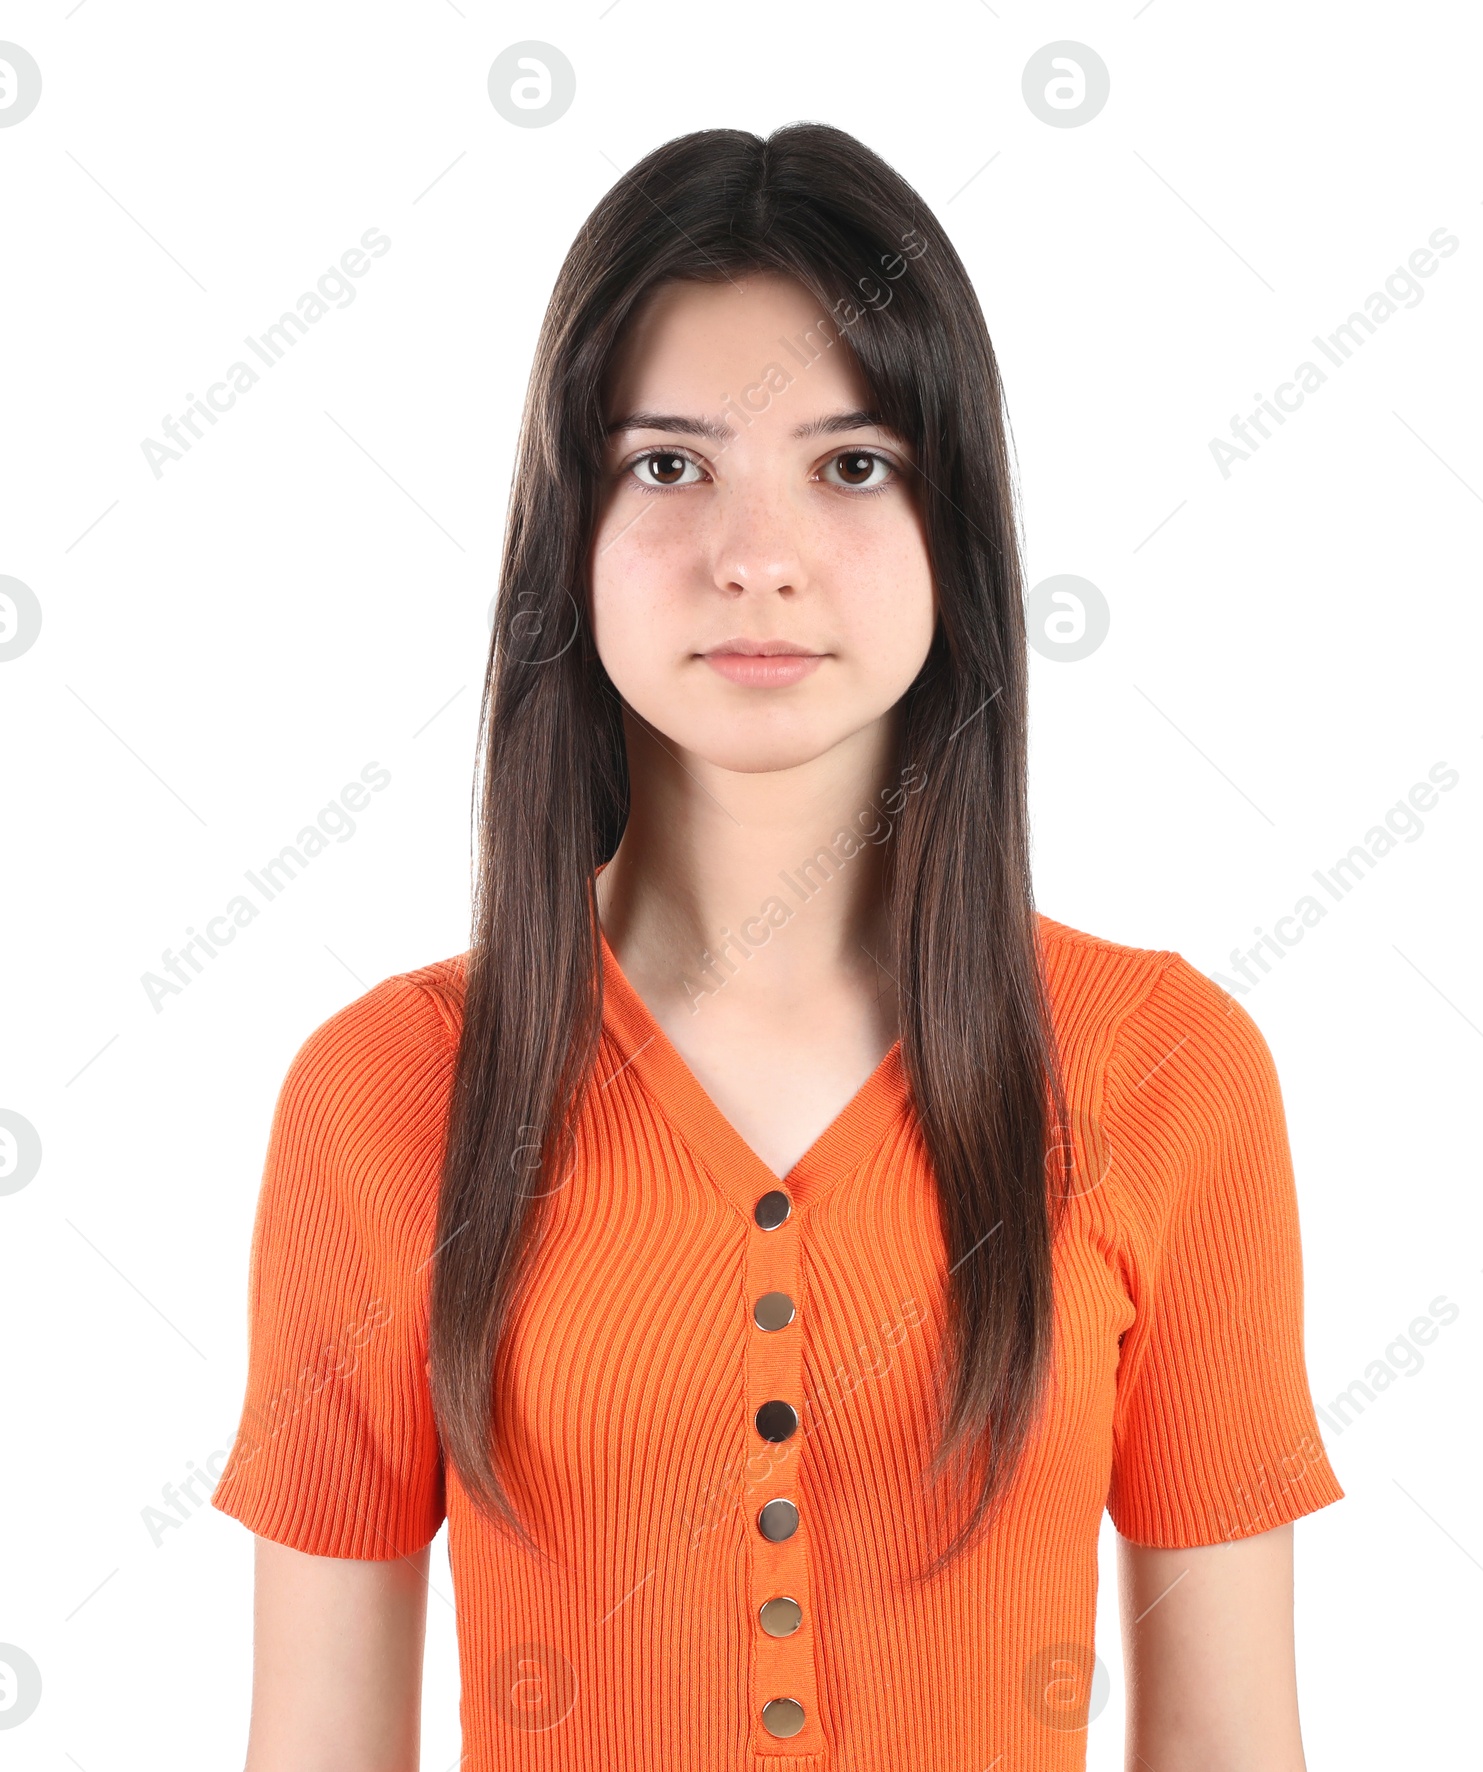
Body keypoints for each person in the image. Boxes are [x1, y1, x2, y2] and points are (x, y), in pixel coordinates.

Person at [210, 122, 1343, 1772]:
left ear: (955, 532)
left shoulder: (1169, 1069)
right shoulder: (385, 1094)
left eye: (852, 462)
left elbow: (1236, 1750)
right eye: (669, 467)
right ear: (569, 536)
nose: (759, 555)